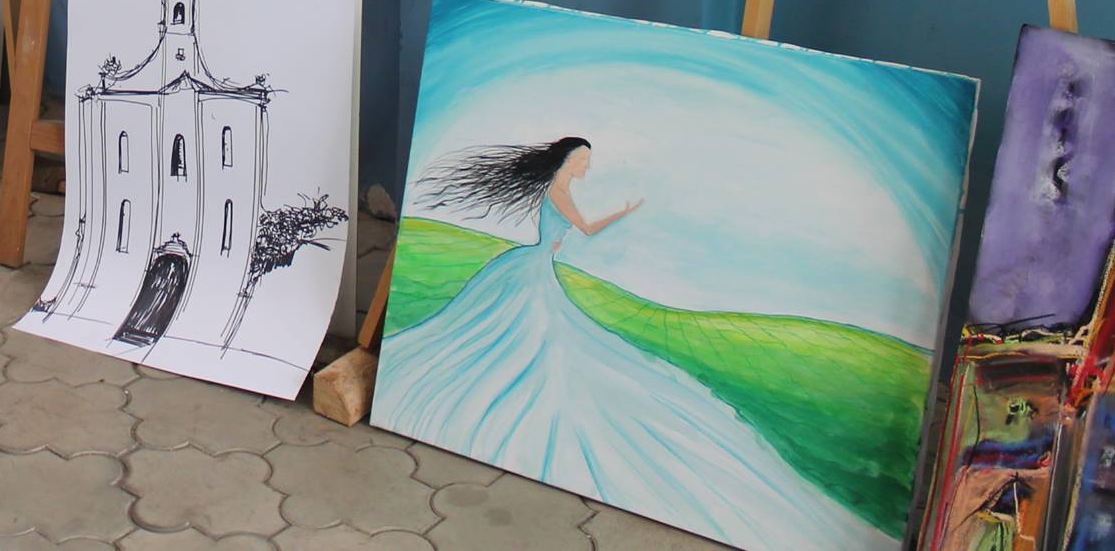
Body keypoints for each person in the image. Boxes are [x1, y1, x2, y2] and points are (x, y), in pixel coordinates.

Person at [375, 137, 890, 551]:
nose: (588, 166)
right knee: (530, 336)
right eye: (584, 159)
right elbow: (584, 228)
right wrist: (622, 212)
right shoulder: (559, 190)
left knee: (522, 332)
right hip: (531, 268)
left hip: (534, 266)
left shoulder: (559, 187)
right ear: (568, 159)